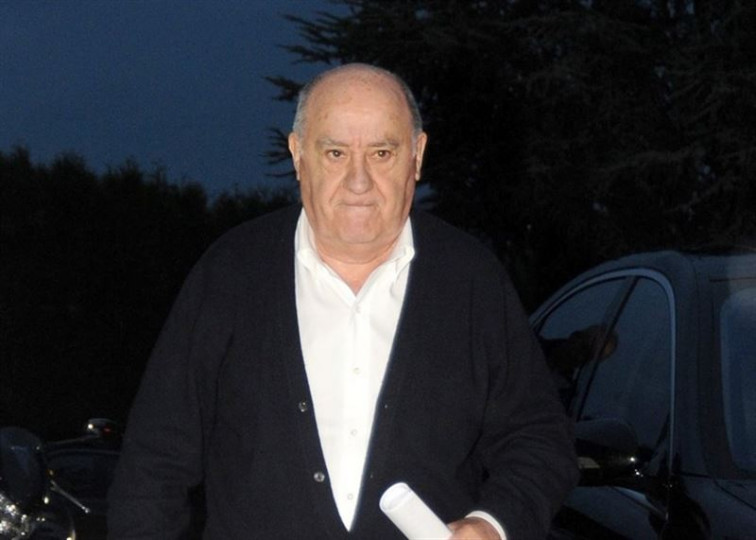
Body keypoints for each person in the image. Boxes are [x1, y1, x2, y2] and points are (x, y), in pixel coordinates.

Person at [108, 63, 578, 540]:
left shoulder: (471, 280)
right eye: (335, 153)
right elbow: (153, 464)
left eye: (382, 153)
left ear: (417, 156)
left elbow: (539, 440)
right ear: (298, 155)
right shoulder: (230, 274)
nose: (359, 181)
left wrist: (492, 524)